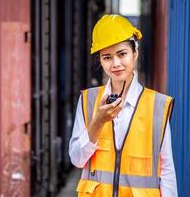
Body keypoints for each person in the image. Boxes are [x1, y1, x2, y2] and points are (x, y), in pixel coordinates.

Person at [69, 14, 178, 197]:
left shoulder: (157, 105)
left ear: (135, 53)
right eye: (107, 57)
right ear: (101, 61)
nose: (116, 64)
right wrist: (98, 122)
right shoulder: (89, 100)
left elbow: (166, 171)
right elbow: (77, 160)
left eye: (122, 54)